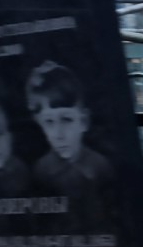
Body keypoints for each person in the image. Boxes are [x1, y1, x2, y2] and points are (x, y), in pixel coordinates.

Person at [27, 62, 111, 194]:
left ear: (83, 121)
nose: (59, 134)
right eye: (49, 121)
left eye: (66, 119)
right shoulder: (41, 171)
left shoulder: (100, 166)